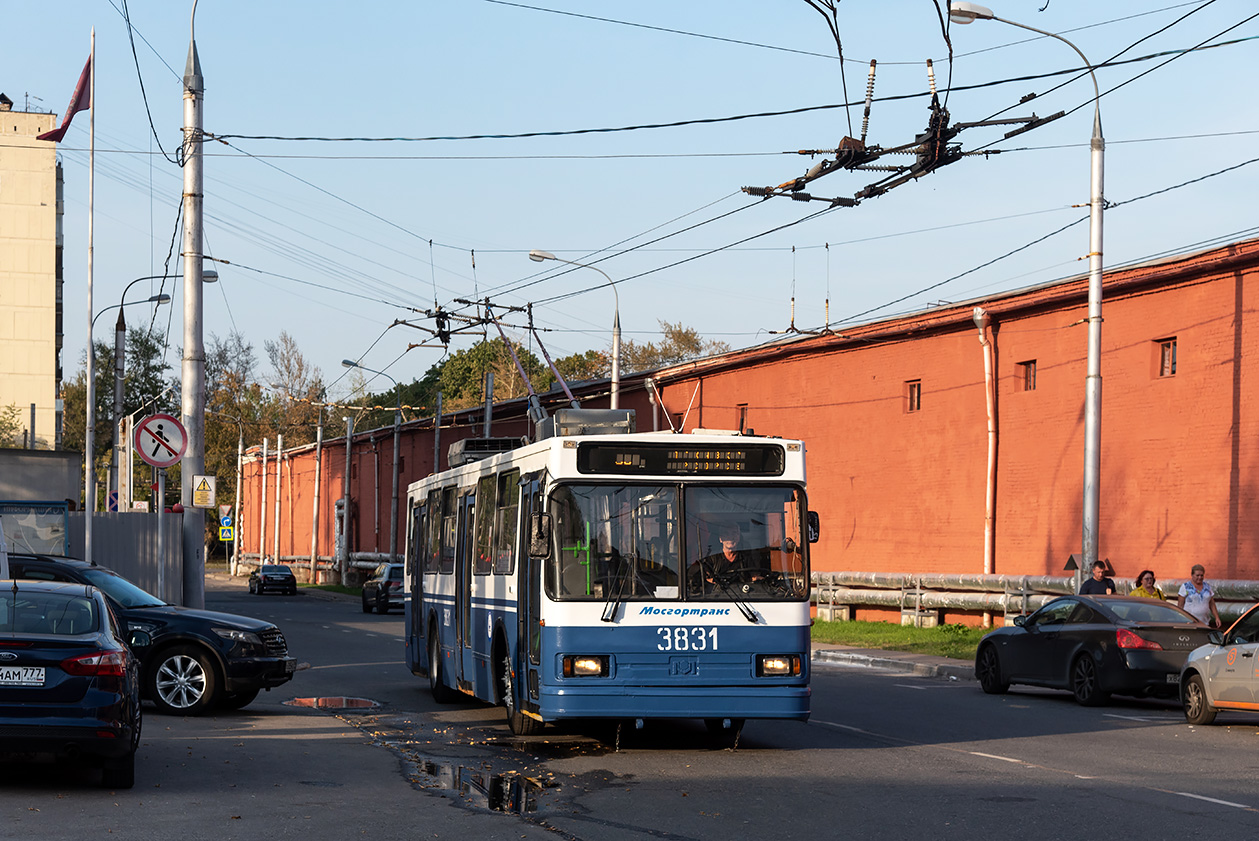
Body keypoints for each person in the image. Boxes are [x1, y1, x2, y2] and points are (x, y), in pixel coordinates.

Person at [687, 522, 765, 594]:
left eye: (734, 533)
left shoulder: (747, 558)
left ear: (739, 537)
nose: (730, 537)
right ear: (720, 539)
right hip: (717, 598)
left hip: (743, 596)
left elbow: (755, 578)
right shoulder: (711, 559)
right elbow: (701, 579)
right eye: (726, 534)